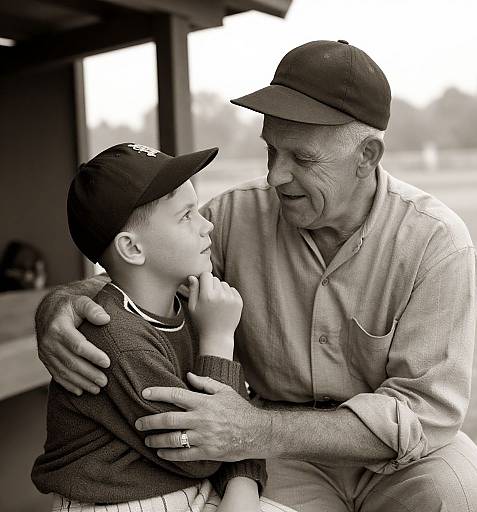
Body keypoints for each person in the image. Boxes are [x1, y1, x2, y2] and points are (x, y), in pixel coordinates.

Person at [35, 41, 477, 511]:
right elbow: (141, 267)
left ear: (367, 155)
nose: (275, 177)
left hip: (395, 456)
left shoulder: (437, 242)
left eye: (302, 159)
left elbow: (424, 415)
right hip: (279, 457)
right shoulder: (231, 216)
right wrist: (62, 303)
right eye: (271, 151)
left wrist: (254, 429)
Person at [32, 143, 294, 512]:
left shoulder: (189, 306)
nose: (207, 225)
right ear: (133, 249)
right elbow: (206, 445)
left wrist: (243, 482)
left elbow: (233, 424)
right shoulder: (114, 336)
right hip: (117, 502)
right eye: (186, 215)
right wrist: (219, 338)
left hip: (186, 486)